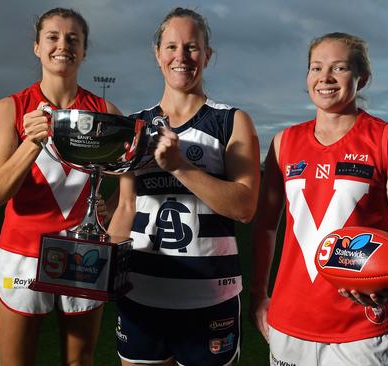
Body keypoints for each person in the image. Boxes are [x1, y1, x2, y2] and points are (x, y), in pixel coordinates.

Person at [249, 32, 388, 366]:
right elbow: (265, 227)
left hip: (360, 326)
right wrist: (259, 297)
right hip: (289, 323)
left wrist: (387, 280)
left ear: (363, 77)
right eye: (316, 68)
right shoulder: (284, 142)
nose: (325, 78)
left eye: (339, 68)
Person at [107, 7, 260, 366]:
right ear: (157, 53)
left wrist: (179, 166)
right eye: (172, 46)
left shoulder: (230, 120)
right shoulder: (135, 126)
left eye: (192, 47)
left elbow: (244, 206)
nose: (181, 57)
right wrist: (104, 267)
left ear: (208, 55)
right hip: (140, 293)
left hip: (209, 298)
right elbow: (126, 208)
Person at [0, 8, 122, 366]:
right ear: (37, 47)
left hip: (84, 255)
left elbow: (129, 172)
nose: (64, 45)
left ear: (84, 50)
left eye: (73, 39)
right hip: (22, 256)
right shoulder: (9, 109)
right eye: (53, 37)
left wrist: (107, 206)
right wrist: (31, 143)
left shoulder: (104, 110)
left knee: (80, 361)